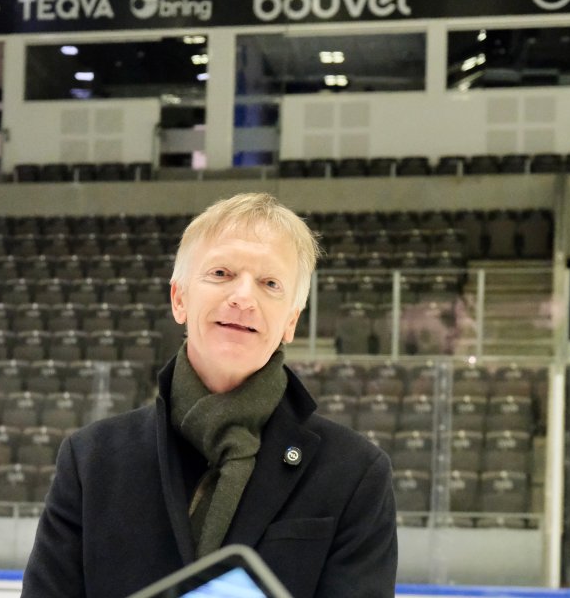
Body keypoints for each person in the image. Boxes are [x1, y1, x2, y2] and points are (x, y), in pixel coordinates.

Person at [21, 192, 397, 598]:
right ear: (179, 299)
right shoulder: (91, 460)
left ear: (291, 320)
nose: (243, 297)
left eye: (270, 283)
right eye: (220, 273)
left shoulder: (355, 473)